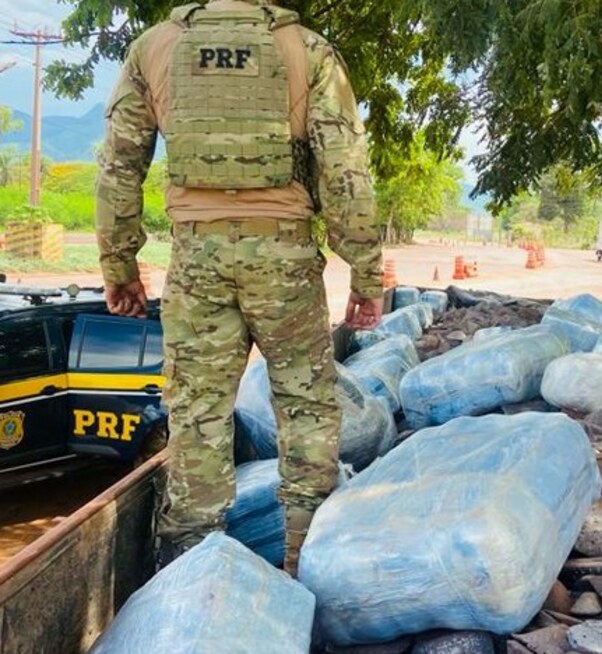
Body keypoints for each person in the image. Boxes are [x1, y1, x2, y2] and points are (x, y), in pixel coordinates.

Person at [96, 0, 382, 575]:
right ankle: (307, 566)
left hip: (196, 258)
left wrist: (119, 266)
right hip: (285, 257)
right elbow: (344, 169)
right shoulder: (307, 49)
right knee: (305, 412)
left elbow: (119, 165)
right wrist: (367, 271)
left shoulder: (153, 48)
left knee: (198, 416)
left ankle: (188, 579)